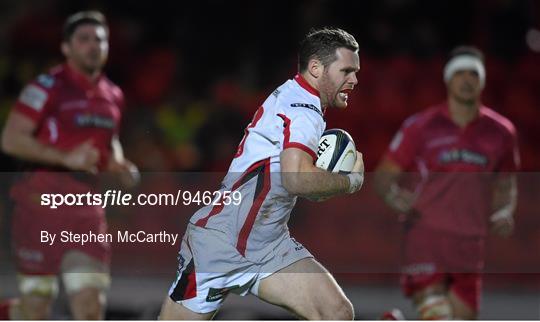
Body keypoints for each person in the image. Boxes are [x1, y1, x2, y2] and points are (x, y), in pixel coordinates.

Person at [159, 27, 364, 320]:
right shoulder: (302, 109)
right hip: (220, 244)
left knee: (336, 312)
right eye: (347, 70)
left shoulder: (297, 96)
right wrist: (349, 182)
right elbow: (297, 179)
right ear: (316, 68)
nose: (354, 80)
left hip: (268, 244)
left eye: (355, 71)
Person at [0, 11, 138, 319]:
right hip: (39, 208)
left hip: (85, 212)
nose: (93, 46)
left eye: (99, 40)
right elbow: (11, 140)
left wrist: (119, 165)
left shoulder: (113, 95)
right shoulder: (47, 87)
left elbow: (109, 142)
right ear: (66, 48)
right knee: (36, 310)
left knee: (90, 306)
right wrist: (65, 158)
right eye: (84, 39)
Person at [374, 46, 519, 320]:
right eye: (459, 73)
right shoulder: (421, 126)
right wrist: (394, 197)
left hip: (469, 245)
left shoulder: (502, 132)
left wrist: (504, 210)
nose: (466, 80)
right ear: (448, 79)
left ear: (483, 80)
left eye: (473, 74)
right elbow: (383, 177)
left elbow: (507, 183)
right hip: (425, 237)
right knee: (438, 316)